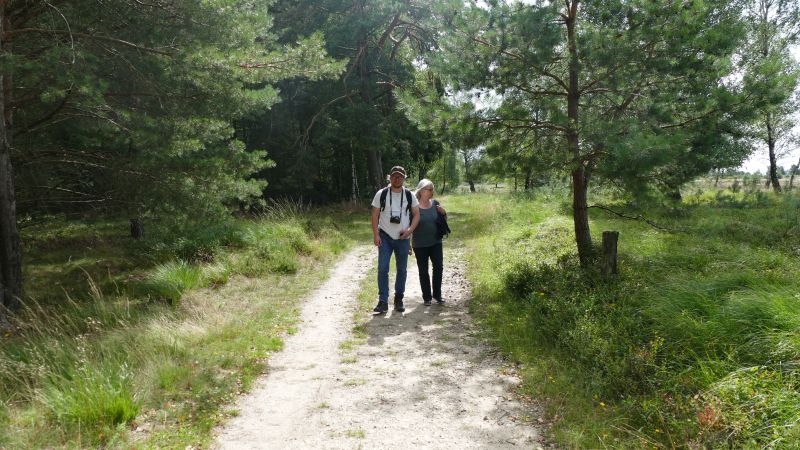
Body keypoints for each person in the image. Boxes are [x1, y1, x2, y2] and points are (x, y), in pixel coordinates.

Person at [371, 166, 420, 313]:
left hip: (403, 237)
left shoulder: (410, 195)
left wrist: (409, 230)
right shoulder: (381, 194)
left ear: (404, 178)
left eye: (400, 176)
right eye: (394, 176)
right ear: (390, 177)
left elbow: (417, 215)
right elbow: (374, 215)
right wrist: (376, 234)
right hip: (385, 236)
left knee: (402, 270)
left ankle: (399, 299)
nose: (397, 179)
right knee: (382, 268)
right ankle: (383, 301)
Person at [412, 179, 446, 305]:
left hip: (436, 242)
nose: (432, 192)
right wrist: (407, 243)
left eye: (432, 189)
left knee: (438, 267)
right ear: (421, 191)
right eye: (429, 189)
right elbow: (408, 225)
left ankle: (437, 295)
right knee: (423, 271)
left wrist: (444, 212)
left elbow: (443, 221)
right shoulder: (414, 206)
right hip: (420, 244)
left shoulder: (435, 204)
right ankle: (427, 298)